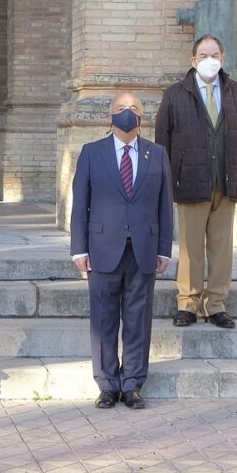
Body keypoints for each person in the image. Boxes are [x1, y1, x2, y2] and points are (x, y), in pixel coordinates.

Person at [71, 92, 173, 410]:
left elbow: (164, 205)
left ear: (142, 117)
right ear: (109, 116)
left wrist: (164, 249)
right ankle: (106, 384)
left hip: (143, 249)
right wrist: (79, 250)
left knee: (138, 318)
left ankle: (132, 384)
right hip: (102, 248)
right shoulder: (91, 153)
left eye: (133, 109)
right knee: (103, 319)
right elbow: (80, 205)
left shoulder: (157, 154)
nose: (127, 113)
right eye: (120, 109)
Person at [156, 34, 237, 330]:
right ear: (193, 60)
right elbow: (163, 140)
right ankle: (188, 303)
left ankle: (216, 304)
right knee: (190, 247)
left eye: (215, 55)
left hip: (225, 181)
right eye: (203, 55)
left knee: (222, 249)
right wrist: (170, 179)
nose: (209, 60)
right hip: (191, 181)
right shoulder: (174, 95)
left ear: (222, 59)